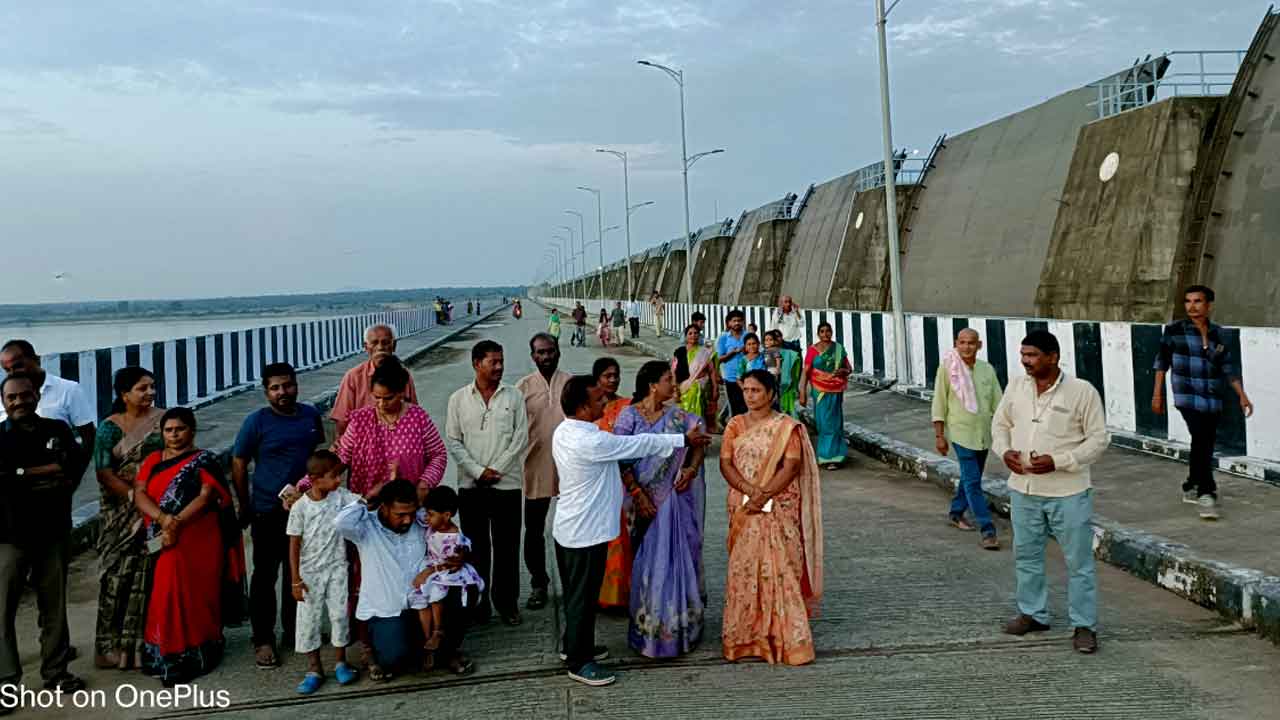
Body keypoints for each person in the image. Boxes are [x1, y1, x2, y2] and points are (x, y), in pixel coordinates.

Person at [552, 375, 709, 686]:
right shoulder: (592, 440)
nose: (605, 403)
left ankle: (574, 645)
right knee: (583, 598)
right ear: (583, 408)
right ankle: (579, 663)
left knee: (576, 594)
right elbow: (638, 444)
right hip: (586, 532)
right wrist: (682, 440)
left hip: (571, 528)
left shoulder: (565, 430)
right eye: (598, 400)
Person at [992, 330, 1109, 655]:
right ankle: (1033, 613)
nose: (1025, 361)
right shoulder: (1016, 386)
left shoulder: (1081, 391)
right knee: (1026, 556)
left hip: (1068, 492)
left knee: (1078, 562)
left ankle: (1084, 625)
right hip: (1023, 489)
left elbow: (1099, 439)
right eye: (1023, 355)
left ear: (1053, 357)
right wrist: (1004, 452)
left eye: (1032, 355)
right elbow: (999, 425)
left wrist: (1061, 461)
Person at [133, 407, 246, 687]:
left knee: (196, 594)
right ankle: (166, 655)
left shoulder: (203, 461)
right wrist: (163, 519)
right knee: (165, 593)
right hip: (163, 535)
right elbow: (139, 493)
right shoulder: (152, 460)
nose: (174, 435)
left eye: (180, 429)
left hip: (197, 537)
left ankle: (198, 652)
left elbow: (208, 496)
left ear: (192, 430)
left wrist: (176, 523)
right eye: (168, 430)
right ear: (161, 433)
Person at [719, 369, 823, 665]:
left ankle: (788, 640)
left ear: (771, 394)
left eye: (756, 391)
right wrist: (748, 490)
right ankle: (746, 638)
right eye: (746, 390)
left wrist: (763, 494)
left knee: (782, 570)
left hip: (777, 506)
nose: (749, 396)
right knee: (744, 570)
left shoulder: (787, 427)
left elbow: (791, 466)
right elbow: (726, 463)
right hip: (743, 504)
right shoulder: (735, 425)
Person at [232, 362, 325, 669]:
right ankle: (262, 639)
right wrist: (244, 504)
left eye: (287, 385)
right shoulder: (256, 422)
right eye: (275, 387)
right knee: (265, 576)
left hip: (305, 510)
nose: (282, 392)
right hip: (267, 511)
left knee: (298, 572)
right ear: (266, 391)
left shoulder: (310, 416)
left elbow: (316, 459)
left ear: (296, 384)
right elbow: (239, 462)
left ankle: (294, 631)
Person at [0, 373, 89, 695]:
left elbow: (70, 465)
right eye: (12, 397)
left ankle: (56, 672)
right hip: (9, 537)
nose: (19, 401)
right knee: (2, 613)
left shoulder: (57, 430)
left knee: (54, 607)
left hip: (52, 532)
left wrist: (21, 474)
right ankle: (6, 682)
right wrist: (39, 472)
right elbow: (4, 476)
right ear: (4, 402)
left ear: (36, 396)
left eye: (25, 395)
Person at [335, 479, 473, 681]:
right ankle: (385, 650)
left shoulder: (420, 521)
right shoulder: (365, 527)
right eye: (400, 515)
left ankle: (445, 651)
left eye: (411, 512)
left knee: (465, 589)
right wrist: (366, 499)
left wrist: (461, 556)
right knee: (395, 657)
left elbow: (449, 534)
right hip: (388, 610)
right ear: (384, 507)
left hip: (424, 604)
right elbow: (340, 522)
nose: (408, 520)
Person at [614, 362, 707, 658]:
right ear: (653, 385)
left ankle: (680, 627)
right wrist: (639, 494)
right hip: (643, 504)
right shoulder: (628, 416)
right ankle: (650, 630)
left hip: (675, 503)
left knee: (679, 560)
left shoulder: (677, 416)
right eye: (669, 380)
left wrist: (691, 470)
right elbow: (620, 458)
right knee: (648, 564)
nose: (674, 385)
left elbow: (699, 440)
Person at [445, 341, 529, 626]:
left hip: (507, 485)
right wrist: (478, 471)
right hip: (471, 487)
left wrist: (498, 469)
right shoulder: (457, 399)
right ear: (476, 363)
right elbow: (454, 441)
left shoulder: (514, 396)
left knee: (507, 548)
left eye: (501, 361)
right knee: (476, 548)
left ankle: (507, 604)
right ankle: (478, 606)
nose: (499, 367)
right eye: (493, 361)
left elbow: (521, 438)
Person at [1153, 285, 1253, 521]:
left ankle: (1191, 483)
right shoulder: (1175, 330)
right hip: (1186, 395)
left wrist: (1242, 394)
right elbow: (1161, 362)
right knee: (1201, 438)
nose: (1192, 306)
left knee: (1203, 440)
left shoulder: (1219, 333)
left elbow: (1228, 367)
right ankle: (1206, 491)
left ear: (1208, 305)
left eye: (1198, 301)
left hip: (1212, 397)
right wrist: (1157, 395)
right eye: (1188, 302)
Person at [92, 367, 164, 671]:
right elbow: (104, 472)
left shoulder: (164, 421)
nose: (149, 392)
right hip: (121, 514)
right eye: (142, 388)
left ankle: (141, 646)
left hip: (156, 509)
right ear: (124, 395)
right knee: (117, 578)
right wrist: (136, 498)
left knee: (148, 577)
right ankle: (107, 648)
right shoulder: (109, 428)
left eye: (152, 386)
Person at [287, 451, 360, 695]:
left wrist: (380, 488)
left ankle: (341, 662)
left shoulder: (339, 497)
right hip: (309, 573)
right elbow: (294, 544)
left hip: (337, 566)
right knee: (309, 621)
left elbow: (361, 502)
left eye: (339, 475)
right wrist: (295, 579)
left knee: (339, 615)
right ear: (315, 479)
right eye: (333, 476)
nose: (338, 480)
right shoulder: (300, 507)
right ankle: (314, 668)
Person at [334, 357, 446, 504]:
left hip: (407, 504)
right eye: (376, 397)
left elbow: (438, 454)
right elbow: (341, 458)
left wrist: (424, 484)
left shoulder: (418, 417)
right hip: (368, 503)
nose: (381, 404)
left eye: (388, 398)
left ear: (401, 393)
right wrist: (310, 482)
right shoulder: (360, 421)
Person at [932, 329, 1005, 550]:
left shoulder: (987, 370)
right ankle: (987, 530)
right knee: (973, 481)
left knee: (969, 478)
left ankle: (956, 513)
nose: (966, 347)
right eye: (962, 342)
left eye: (971, 343)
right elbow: (939, 402)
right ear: (956, 343)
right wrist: (939, 436)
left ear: (979, 345)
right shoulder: (948, 369)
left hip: (982, 434)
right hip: (960, 433)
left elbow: (998, 403)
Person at [515, 333, 571, 612]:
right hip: (535, 466)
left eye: (550, 351)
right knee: (534, 530)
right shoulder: (521, 389)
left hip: (570, 468)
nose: (546, 356)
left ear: (558, 352)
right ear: (532, 356)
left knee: (569, 529)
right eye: (540, 352)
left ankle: (571, 583)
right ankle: (539, 583)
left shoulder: (571, 384)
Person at [410, 486, 484, 670]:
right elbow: (419, 513)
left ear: (447, 515)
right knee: (421, 599)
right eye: (427, 513)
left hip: (446, 574)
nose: (426, 517)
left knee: (437, 595)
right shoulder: (431, 522)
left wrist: (429, 571)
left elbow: (450, 563)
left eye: (431, 514)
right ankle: (429, 641)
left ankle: (439, 632)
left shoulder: (453, 538)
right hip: (433, 569)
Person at [0, 340, 96, 451]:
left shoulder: (69, 390)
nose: (13, 374)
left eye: (18, 366)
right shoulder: (3, 395)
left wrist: (76, 466)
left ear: (37, 360)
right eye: (7, 370)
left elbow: (89, 437)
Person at [330, 324, 419, 439]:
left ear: (394, 345)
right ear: (366, 347)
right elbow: (342, 422)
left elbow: (413, 413)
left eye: (386, 342)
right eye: (375, 343)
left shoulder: (403, 375)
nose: (380, 347)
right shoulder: (353, 377)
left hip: (398, 442)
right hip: (363, 443)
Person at [592, 358, 632, 610]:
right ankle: (599, 595)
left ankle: (622, 595)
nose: (613, 379)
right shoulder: (589, 409)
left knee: (623, 537)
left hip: (626, 482)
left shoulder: (627, 406)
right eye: (607, 376)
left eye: (616, 375)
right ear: (597, 379)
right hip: (598, 484)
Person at [799, 321, 851, 470]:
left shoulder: (838, 349)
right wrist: (802, 391)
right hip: (819, 389)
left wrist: (842, 372)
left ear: (832, 332)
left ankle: (834, 457)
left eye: (828, 331)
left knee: (835, 422)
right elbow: (806, 371)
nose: (825, 334)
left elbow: (848, 369)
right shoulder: (813, 350)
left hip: (836, 389)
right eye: (822, 331)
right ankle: (825, 454)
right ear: (818, 334)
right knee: (823, 422)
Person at [672, 325, 715, 420]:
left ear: (699, 335)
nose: (693, 335)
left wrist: (715, 388)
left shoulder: (705, 352)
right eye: (690, 333)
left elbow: (711, 371)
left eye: (696, 333)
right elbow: (673, 371)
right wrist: (675, 390)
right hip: (683, 388)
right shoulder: (680, 352)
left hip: (702, 388)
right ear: (685, 336)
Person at [690, 312, 721, 432]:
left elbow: (712, 362)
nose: (702, 325)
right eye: (700, 322)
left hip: (704, 380)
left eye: (703, 322)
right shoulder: (685, 342)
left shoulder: (705, 341)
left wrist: (715, 383)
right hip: (691, 382)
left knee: (705, 406)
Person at [715, 310, 748, 418]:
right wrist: (732, 353)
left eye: (739, 320)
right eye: (734, 321)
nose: (737, 323)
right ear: (729, 323)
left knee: (747, 407)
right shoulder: (724, 338)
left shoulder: (748, 336)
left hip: (747, 377)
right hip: (731, 377)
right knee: (734, 408)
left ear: (743, 322)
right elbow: (719, 358)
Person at [763, 330, 802, 417]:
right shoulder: (765, 352)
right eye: (766, 340)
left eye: (778, 336)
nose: (769, 341)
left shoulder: (788, 353)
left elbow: (790, 369)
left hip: (783, 382)